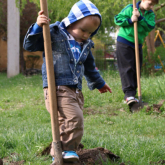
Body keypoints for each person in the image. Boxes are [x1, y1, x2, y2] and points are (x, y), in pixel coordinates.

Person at [23, 0, 112, 163]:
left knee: (69, 120)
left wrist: (99, 83)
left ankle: (60, 153)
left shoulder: (85, 44)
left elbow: (90, 67)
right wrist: (37, 26)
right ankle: (65, 150)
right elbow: (30, 45)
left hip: (75, 90)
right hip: (57, 86)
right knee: (74, 118)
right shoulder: (53, 33)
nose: (86, 35)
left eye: (90, 32)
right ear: (72, 22)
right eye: (83, 30)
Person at [114, 0, 158, 107]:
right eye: (150, 3)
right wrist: (130, 20)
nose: (151, 6)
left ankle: (133, 94)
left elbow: (150, 26)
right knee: (127, 68)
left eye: (153, 5)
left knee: (136, 69)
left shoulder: (150, 14)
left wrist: (140, 18)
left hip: (137, 43)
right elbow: (117, 19)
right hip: (124, 42)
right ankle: (129, 94)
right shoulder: (130, 8)